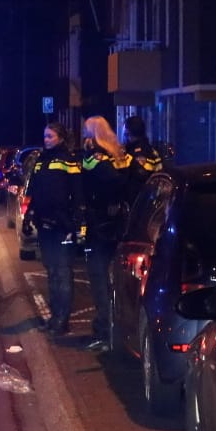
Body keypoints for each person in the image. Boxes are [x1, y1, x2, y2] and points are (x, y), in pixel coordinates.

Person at [79, 115, 135, 352]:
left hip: (100, 226)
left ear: (93, 135)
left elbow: (93, 182)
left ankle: (104, 332)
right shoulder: (122, 156)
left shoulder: (94, 159)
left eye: (86, 132)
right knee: (119, 281)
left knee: (99, 278)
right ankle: (119, 331)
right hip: (121, 225)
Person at [25, 121, 82, 338]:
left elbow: (77, 193)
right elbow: (35, 192)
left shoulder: (68, 160)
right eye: (45, 136)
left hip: (62, 225)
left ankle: (62, 320)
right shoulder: (41, 160)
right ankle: (54, 316)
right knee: (51, 271)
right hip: (44, 223)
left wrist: (76, 222)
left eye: (50, 136)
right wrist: (29, 216)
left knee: (62, 272)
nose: (46, 139)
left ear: (60, 137)